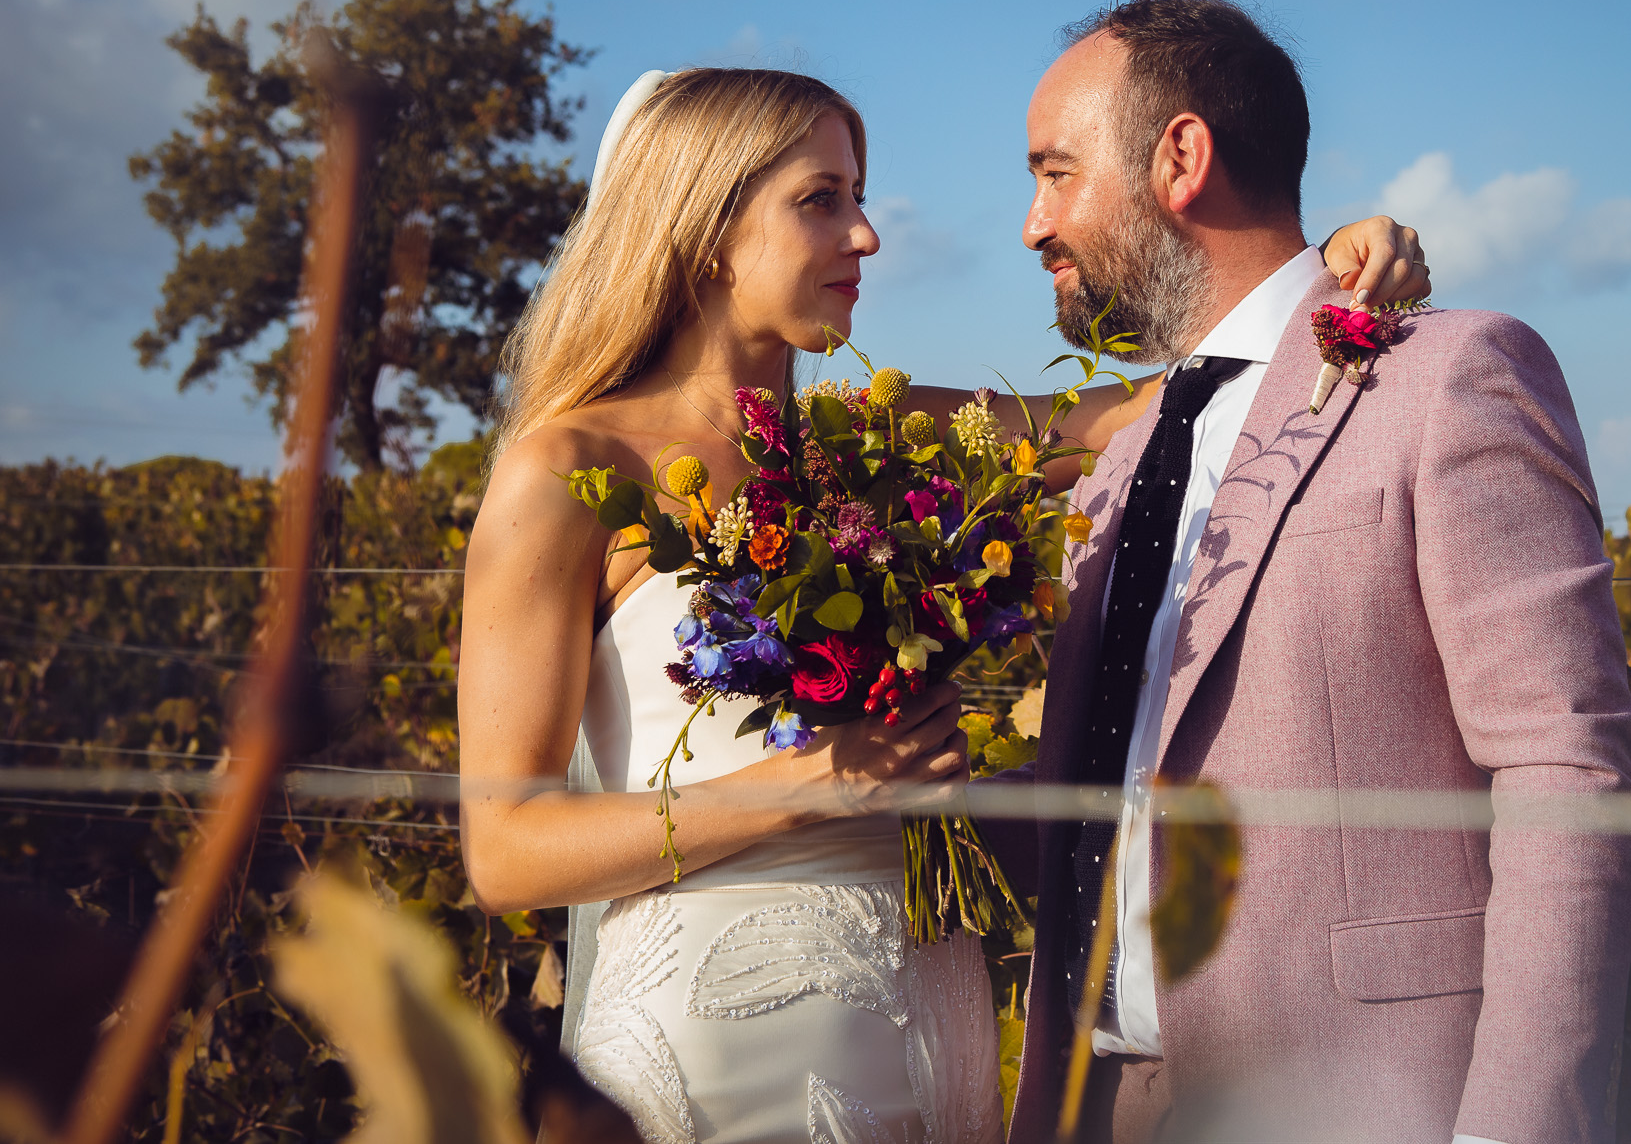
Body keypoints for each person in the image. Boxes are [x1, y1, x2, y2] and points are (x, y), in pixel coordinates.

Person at [455, 66, 1431, 1144]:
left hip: (932, 1025)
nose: (867, 236)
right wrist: (807, 788)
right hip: (712, 1047)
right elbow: (505, 851)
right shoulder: (565, 470)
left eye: (858, 196)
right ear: (705, 224)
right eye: (822, 199)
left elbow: (1145, 411)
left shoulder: (881, 439)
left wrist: (1327, 269)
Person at [1001, 0, 1631, 1144]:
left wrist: (1511, 1131)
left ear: (1180, 159)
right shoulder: (1129, 444)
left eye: (1055, 173)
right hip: (1095, 1099)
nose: (1031, 223)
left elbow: (1563, 768)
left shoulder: (1444, 380)